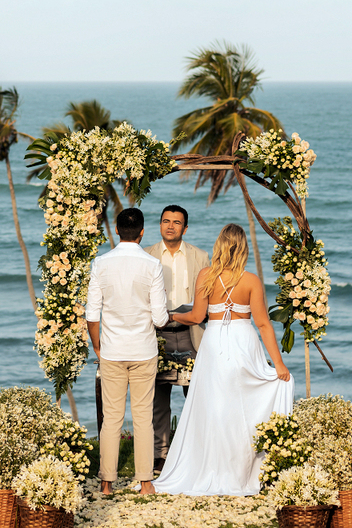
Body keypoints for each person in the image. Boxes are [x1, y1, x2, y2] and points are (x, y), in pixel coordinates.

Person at [153, 223, 294, 496]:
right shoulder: (251, 280)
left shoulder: (206, 275)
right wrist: (278, 364)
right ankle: (243, 470)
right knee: (243, 406)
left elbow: (195, 317)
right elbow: (264, 325)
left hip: (215, 342)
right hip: (243, 341)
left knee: (216, 407)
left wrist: (171, 316)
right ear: (243, 248)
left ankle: (213, 467)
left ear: (219, 245)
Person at [86, 208, 169, 495]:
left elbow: (92, 314)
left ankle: (106, 483)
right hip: (143, 351)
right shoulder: (152, 265)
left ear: (118, 231)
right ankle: (146, 482)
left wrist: (98, 346)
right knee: (143, 416)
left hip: (111, 351)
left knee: (112, 417)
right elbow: (159, 318)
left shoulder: (100, 263)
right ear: (142, 232)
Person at [145, 205, 210, 473]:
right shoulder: (147, 255)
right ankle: (160, 455)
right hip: (156, 332)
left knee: (195, 394)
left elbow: (206, 298)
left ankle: (196, 451)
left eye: (176, 222)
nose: (170, 226)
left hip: (191, 332)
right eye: (165, 221)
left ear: (185, 228)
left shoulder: (201, 256)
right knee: (158, 397)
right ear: (159, 225)